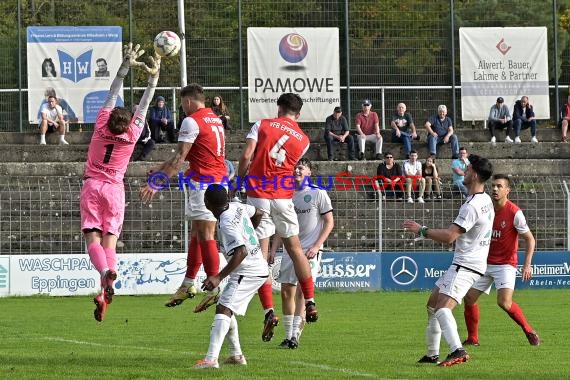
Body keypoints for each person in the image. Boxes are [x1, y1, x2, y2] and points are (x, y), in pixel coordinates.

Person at [80, 43, 160, 322]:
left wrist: (125, 65)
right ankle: (107, 287)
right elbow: (146, 104)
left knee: (93, 237)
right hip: (115, 189)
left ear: (109, 118)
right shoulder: (132, 135)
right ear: (128, 125)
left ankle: (104, 275)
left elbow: (113, 92)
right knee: (110, 242)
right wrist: (154, 77)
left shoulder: (101, 126)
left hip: (92, 185)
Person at [237, 92, 319, 339]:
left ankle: (269, 310)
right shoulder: (303, 139)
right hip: (283, 197)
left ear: (279, 107)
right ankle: (311, 300)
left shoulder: (262, 125)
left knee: (261, 256)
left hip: (259, 195)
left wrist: (238, 181)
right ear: (299, 113)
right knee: (295, 249)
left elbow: (245, 156)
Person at [140, 83, 227, 313]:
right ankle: (188, 284)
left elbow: (180, 157)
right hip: (219, 180)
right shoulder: (214, 117)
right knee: (200, 233)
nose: (182, 108)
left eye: (181, 103)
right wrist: (160, 167)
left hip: (203, 183)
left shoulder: (192, 120)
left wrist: (157, 184)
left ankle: (213, 286)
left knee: (206, 234)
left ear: (188, 101)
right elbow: (194, 154)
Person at [403, 154, 494, 367]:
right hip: (470, 262)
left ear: (476, 175)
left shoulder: (471, 206)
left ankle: (457, 350)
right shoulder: (485, 199)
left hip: (466, 264)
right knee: (432, 305)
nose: (464, 171)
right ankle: (432, 353)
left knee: (443, 309)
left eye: (468, 169)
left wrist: (422, 230)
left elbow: (450, 237)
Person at [193, 184, 268, 369]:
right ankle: (236, 356)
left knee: (223, 310)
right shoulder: (236, 206)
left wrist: (218, 277)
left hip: (248, 270)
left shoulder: (226, 222)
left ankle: (211, 360)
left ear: (207, 203)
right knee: (226, 308)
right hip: (255, 267)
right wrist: (250, 234)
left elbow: (241, 252)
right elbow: (258, 212)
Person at [462, 174, 539, 347]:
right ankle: (473, 339)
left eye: (499, 186)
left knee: (504, 302)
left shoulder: (514, 212)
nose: (495, 189)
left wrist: (527, 265)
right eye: (493, 186)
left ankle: (528, 330)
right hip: (484, 262)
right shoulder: (486, 208)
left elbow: (530, 239)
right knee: (469, 298)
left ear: (507, 190)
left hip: (505, 264)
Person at [272, 158, 334, 349]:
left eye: (301, 168)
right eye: (295, 167)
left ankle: (295, 337)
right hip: (290, 249)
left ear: (309, 172)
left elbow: (329, 222)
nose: (297, 170)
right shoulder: (286, 194)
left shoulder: (318, 193)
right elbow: (281, 227)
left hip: (309, 251)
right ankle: (288, 334)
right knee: (285, 292)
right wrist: (273, 249)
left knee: (301, 292)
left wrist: (317, 246)